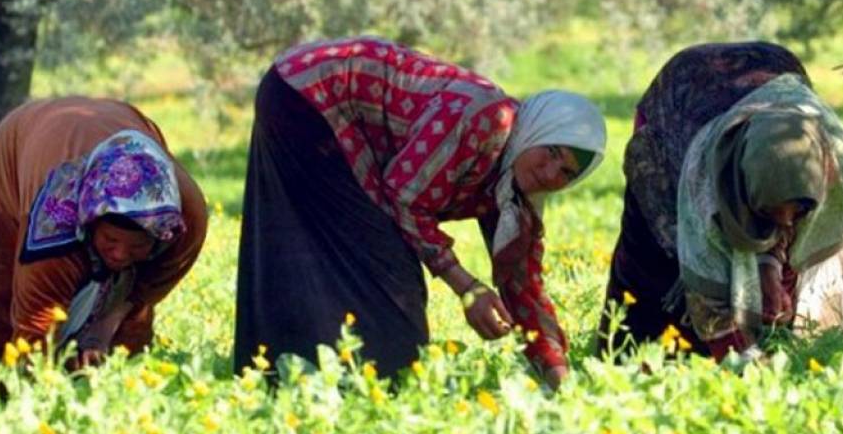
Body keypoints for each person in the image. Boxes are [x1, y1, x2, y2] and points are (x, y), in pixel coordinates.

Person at [234, 36, 606, 388]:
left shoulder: (517, 191)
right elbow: (405, 199)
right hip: (308, 94)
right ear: (535, 133)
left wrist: (558, 373)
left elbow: (521, 280)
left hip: (305, 92)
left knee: (361, 255)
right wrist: (468, 289)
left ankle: (304, 372)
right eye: (552, 153)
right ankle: (366, 381)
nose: (550, 174)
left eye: (567, 173)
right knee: (384, 264)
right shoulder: (486, 123)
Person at [598, 42, 843, 361]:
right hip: (676, 115)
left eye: (799, 212)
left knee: (775, 290)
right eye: (767, 213)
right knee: (657, 271)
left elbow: (793, 225)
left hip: (765, 103)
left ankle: (767, 343)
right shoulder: (700, 174)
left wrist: (774, 276)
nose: (785, 224)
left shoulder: (832, 163)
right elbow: (706, 290)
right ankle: (628, 364)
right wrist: (740, 355)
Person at [0, 96, 208, 371]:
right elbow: (35, 326)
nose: (120, 254)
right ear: (89, 221)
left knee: (130, 329)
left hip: (118, 118)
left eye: (137, 246)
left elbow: (149, 285)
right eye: (110, 240)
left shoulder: (186, 218)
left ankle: (118, 386)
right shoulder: (54, 227)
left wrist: (113, 320)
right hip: (18, 146)